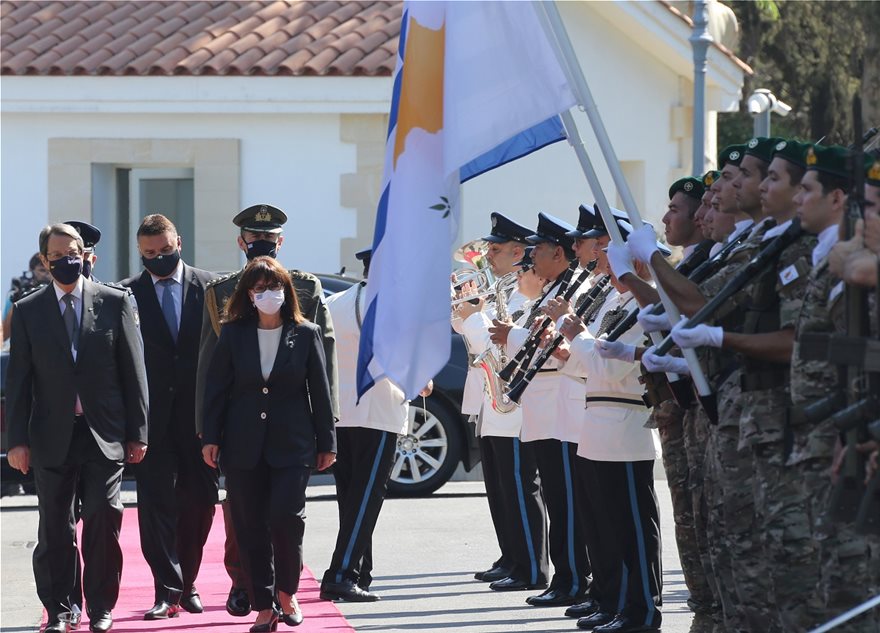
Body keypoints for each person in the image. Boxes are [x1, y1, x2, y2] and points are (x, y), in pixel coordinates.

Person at [194, 203, 338, 617]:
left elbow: (323, 375)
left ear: (281, 241)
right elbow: (212, 376)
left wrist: (328, 435)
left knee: (286, 517)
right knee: (246, 522)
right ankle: (255, 595)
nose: (262, 244)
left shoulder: (306, 290)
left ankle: (284, 592)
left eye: (269, 239)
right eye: (255, 239)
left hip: (291, 436)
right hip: (242, 438)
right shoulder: (222, 295)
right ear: (241, 242)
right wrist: (209, 433)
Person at [5, 223, 149, 633]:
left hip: (104, 435)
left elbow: (133, 372)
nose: (68, 261)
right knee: (55, 526)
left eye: (74, 253)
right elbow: (19, 382)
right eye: (58, 256)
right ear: (45, 261)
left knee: (104, 518)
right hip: (51, 436)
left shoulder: (115, 302)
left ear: (85, 255)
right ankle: (61, 609)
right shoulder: (29, 310)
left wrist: (138, 432)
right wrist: (16, 440)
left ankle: (101, 606)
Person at [555, 222, 662, 632]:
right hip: (599, 424)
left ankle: (642, 611)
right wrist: (580, 344)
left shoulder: (645, 307)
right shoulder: (618, 305)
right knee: (609, 525)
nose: (606, 268)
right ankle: (622, 605)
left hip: (625, 423)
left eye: (612, 260)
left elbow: (612, 367)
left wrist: (580, 338)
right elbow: (585, 366)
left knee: (634, 528)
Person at [320, 248, 432, 602]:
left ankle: (360, 570)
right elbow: (414, 375)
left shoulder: (334, 301)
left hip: (342, 412)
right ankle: (340, 573)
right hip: (380, 411)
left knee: (350, 497)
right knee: (367, 498)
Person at [121, 214, 219, 619]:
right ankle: (166, 588)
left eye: (164, 250)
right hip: (151, 421)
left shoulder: (212, 287)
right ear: (139, 252)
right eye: (148, 254)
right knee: (156, 506)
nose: (158, 258)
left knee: (200, 503)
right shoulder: (125, 294)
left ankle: (189, 580)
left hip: (200, 419)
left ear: (178, 241)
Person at [489, 213, 591, 601]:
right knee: (556, 494)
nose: (532, 259)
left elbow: (559, 350)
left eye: (540, 251)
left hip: (560, 405)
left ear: (560, 254)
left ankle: (574, 579)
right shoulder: (549, 292)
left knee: (566, 500)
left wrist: (511, 335)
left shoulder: (575, 292)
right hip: (542, 407)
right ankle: (565, 578)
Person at [453, 213, 551, 600]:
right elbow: (477, 338)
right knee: (498, 486)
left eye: (495, 249)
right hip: (492, 399)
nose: (488, 256)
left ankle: (530, 565)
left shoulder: (525, 295)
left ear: (518, 252)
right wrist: (465, 315)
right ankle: (512, 557)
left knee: (519, 486)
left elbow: (501, 344)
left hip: (515, 405)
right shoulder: (504, 290)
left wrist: (474, 318)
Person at [3, 252, 51, 341]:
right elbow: (4, 335)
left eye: (49, 271)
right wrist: (18, 301)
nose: (46, 275)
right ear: (31, 271)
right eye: (42, 270)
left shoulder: (61, 293)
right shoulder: (18, 293)